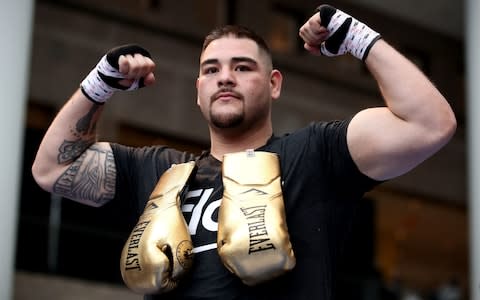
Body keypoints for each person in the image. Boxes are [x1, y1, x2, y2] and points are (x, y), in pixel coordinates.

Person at [31, 4, 456, 300]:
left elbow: (430, 124)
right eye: (211, 70)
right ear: (198, 91)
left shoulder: (315, 154)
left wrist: (358, 38)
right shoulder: (160, 170)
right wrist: (99, 84)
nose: (225, 78)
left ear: (273, 83)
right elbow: (52, 169)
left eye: (243, 66)